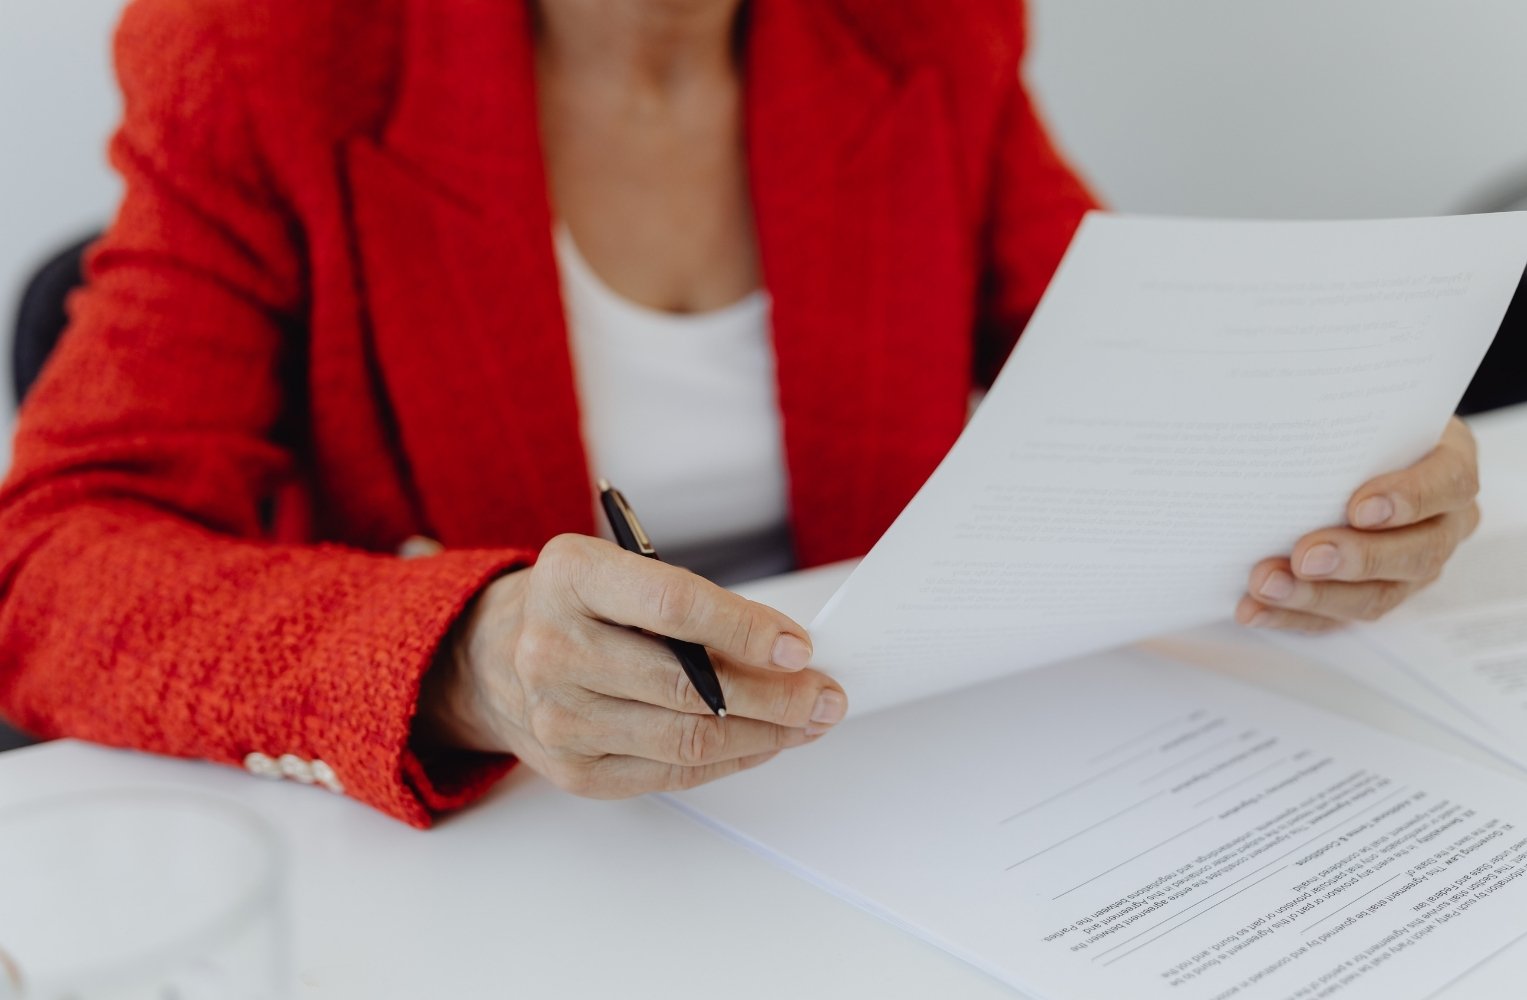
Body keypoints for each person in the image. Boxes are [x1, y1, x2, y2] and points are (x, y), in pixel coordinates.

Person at [0, 0, 1481, 829]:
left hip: (863, 799)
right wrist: (458, 659)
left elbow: (1127, 367)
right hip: (499, 856)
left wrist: (1343, 466)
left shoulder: (923, 28)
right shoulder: (269, 50)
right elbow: (52, 560)